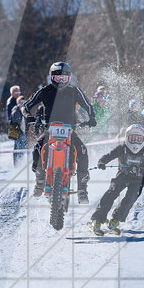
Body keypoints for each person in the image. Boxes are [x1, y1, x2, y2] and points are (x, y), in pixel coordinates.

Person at [20, 61, 96, 202]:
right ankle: (40, 181)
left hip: (69, 130)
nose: (61, 81)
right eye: (58, 78)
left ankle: (82, 189)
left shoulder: (74, 90)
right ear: (51, 77)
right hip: (50, 129)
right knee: (37, 148)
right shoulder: (45, 91)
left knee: (83, 151)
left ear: (69, 78)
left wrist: (92, 117)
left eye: (64, 78)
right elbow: (27, 105)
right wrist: (28, 115)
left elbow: (88, 105)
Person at [88, 124, 144, 236]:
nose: (135, 142)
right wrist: (102, 162)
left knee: (130, 197)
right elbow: (108, 156)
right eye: (132, 138)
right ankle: (96, 220)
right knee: (111, 193)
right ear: (127, 137)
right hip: (122, 176)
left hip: (138, 181)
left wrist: (139, 171)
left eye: (138, 139)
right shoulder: (122, 148)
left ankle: (115, 220)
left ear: (143, 139)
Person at [9, 96, 29, 168]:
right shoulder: (16, 110)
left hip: (24, 132)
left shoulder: (25, 110)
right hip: (18, 133)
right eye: (20, 102)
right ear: (18, 103)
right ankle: (17, 165)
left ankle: (21, 164)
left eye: (24, 102)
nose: (22, 104)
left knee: (23, 149)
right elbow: (15, 121)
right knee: (18, 150)